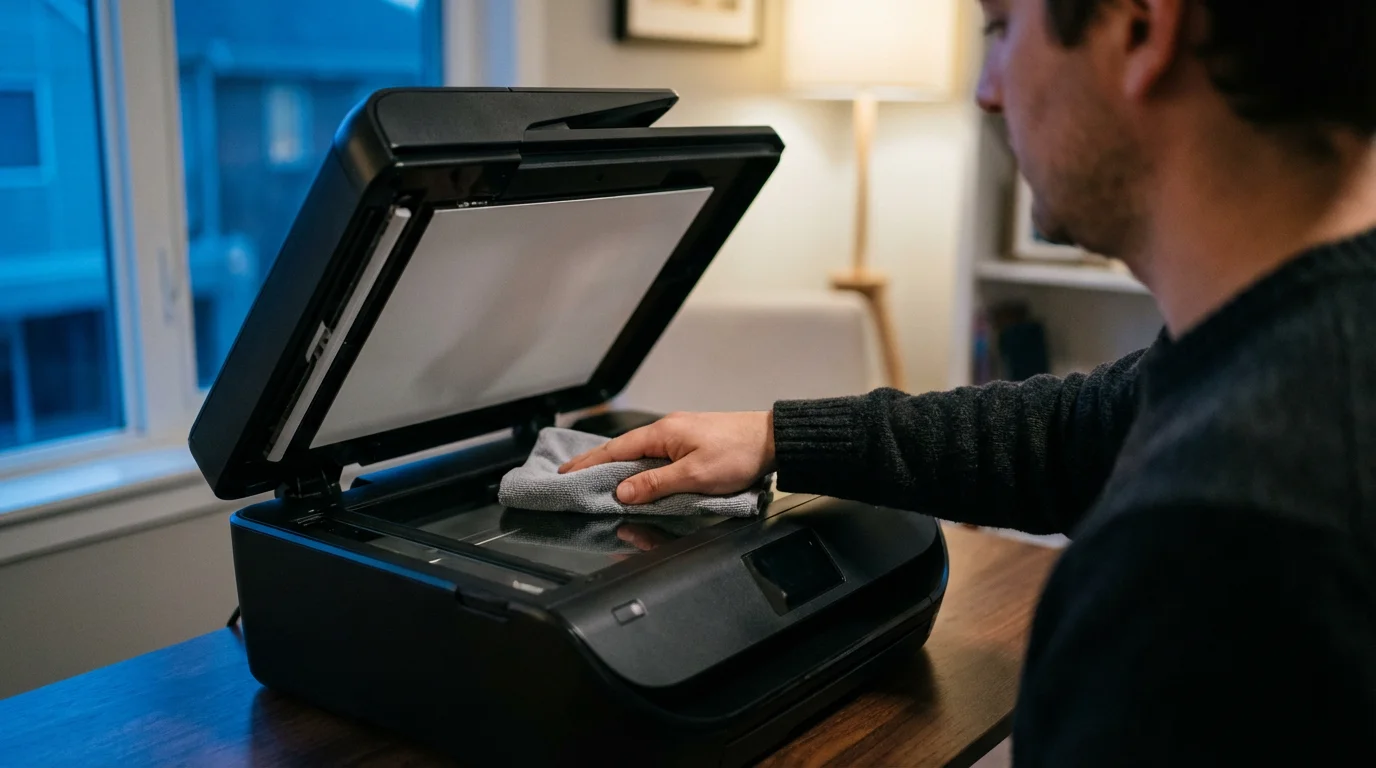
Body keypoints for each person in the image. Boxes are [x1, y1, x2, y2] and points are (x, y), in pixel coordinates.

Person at [561, 0, 1376, 764]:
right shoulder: (1290, 342)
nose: (988, 95)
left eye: (1000, 31)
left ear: (1140, 28)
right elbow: (1072, 433)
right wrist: (777, 434)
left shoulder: (1219, 544)